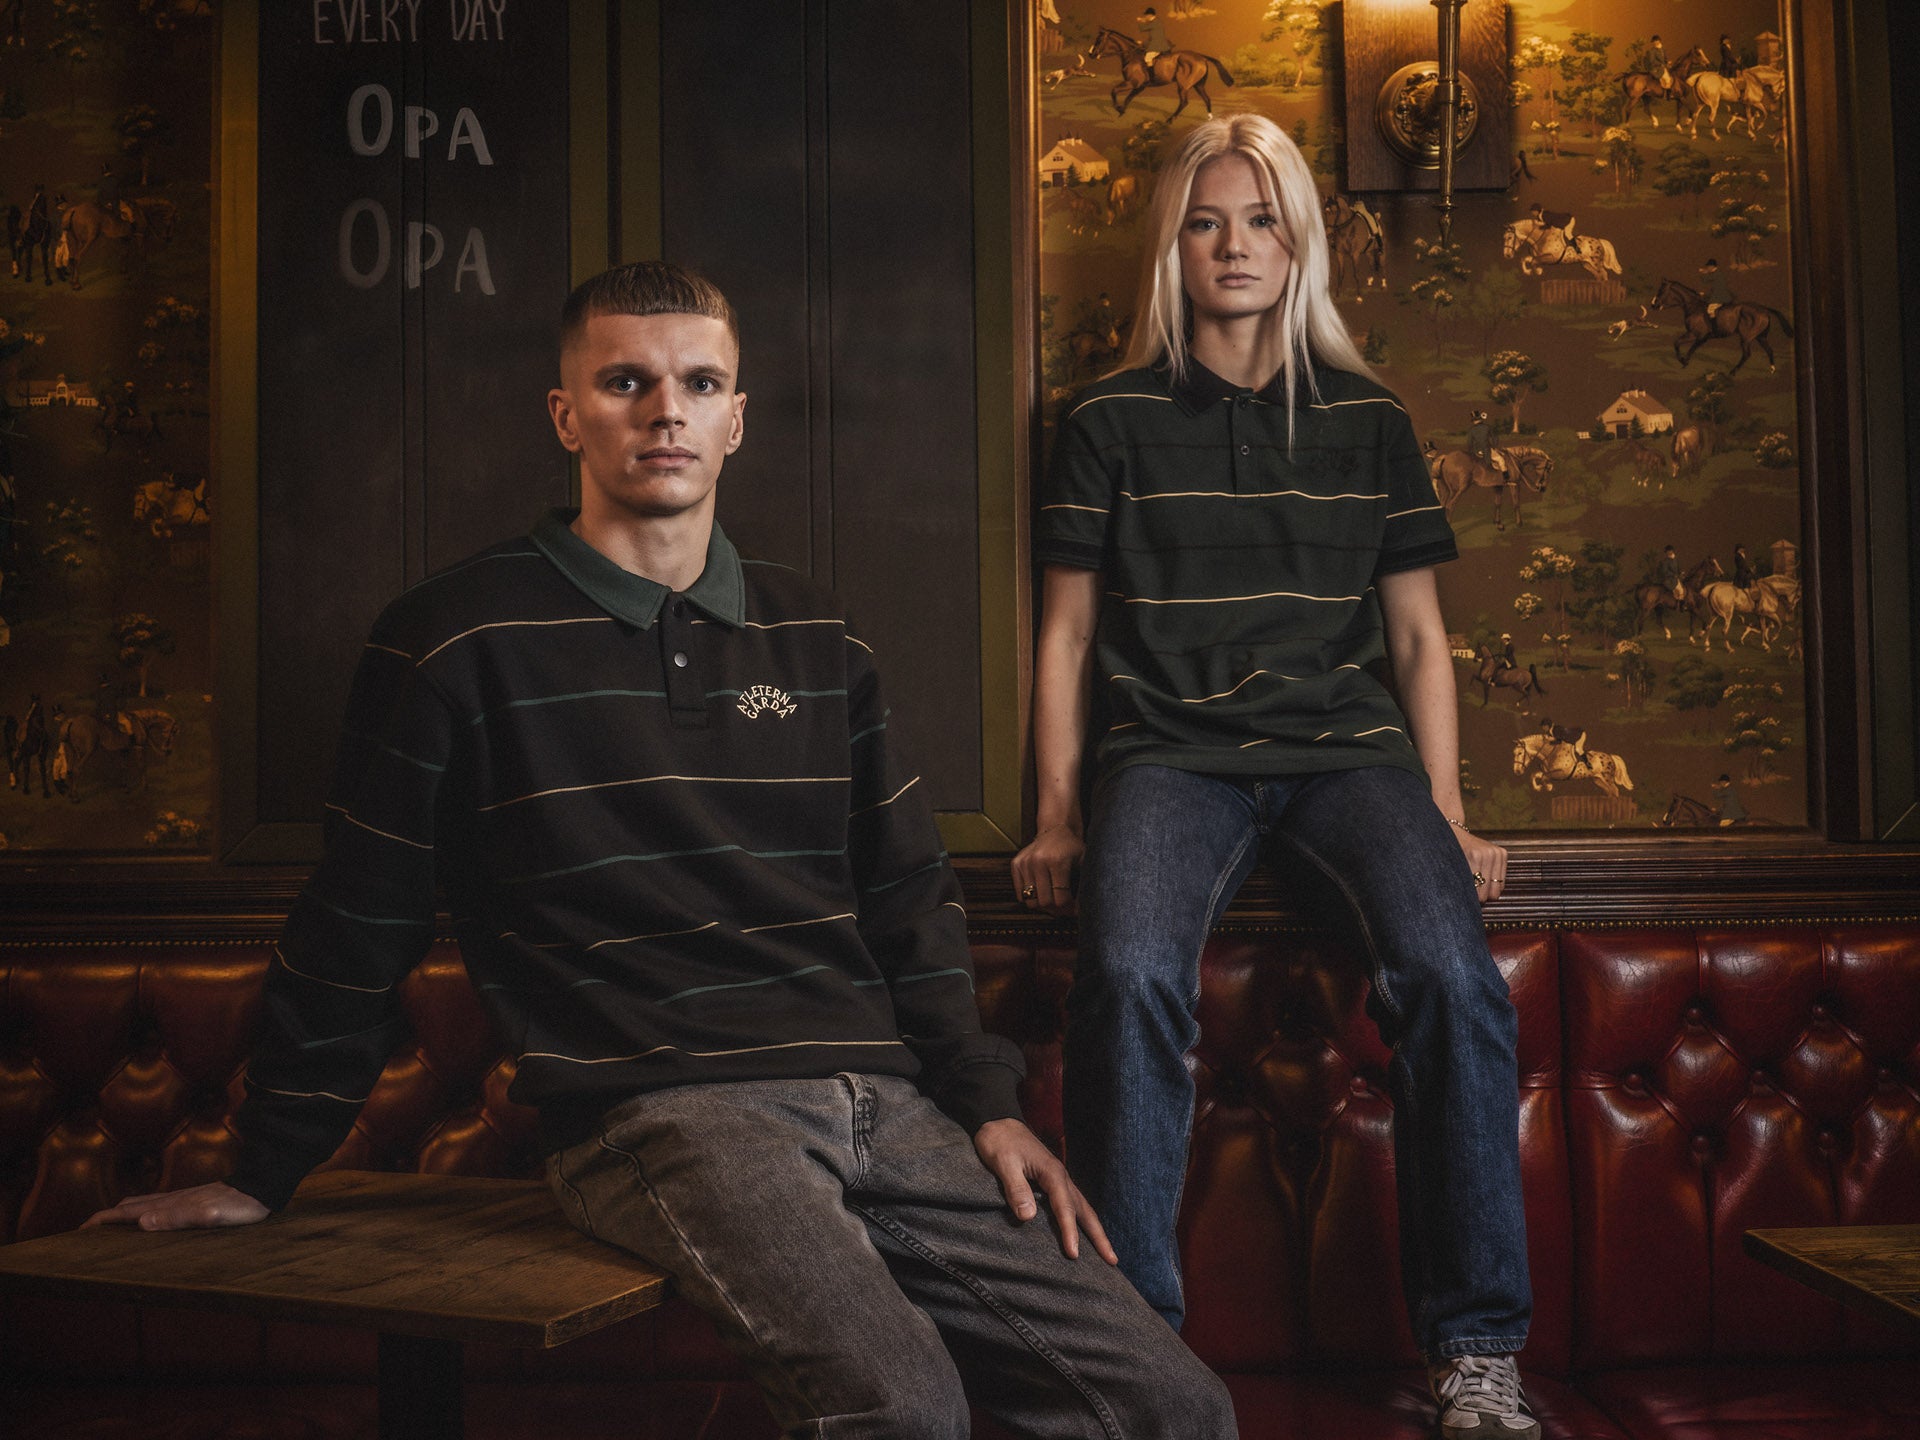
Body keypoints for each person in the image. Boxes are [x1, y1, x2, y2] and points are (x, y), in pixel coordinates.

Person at [84, 261, 1238, 1440]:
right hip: (661, 1109)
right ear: (565, 414)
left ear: (737, 419)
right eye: (625, 382)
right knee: (903, 1406)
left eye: (699, 384)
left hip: (887, 1104)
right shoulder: (451, 639)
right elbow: (357, 920)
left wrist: (986, 1105)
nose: (665, 412)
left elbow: (908, 896)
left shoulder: (818, 637)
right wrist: (263, 1169)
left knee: (1174, 1405)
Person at [1010, 115, 1537, 1440]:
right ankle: (1133, 1352)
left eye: (1259, 220)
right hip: (1168, 757)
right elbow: (1065, 636)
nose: (1234, 245)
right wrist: (1057, 817)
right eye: (1206, 222)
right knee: (1127, 977)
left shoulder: (1369, 419)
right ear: (1173, 247)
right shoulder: (1107, 420)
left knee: (1454, 978)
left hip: (1347, 758)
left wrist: (1448, 811)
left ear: (1299, 242)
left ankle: (1477, 1352)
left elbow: (1417, 640)